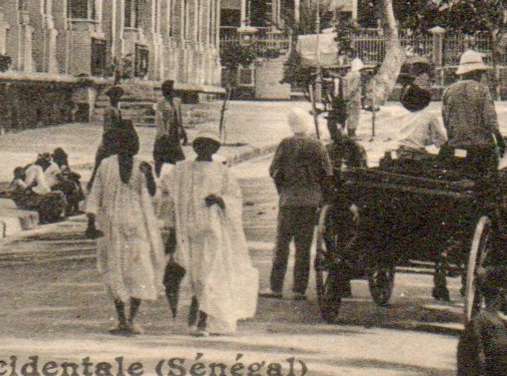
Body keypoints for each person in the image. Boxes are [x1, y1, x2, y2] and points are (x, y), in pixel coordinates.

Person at [159, 134, 258, 336]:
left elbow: (234, 198)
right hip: (188, 230)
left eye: (209, 146)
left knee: (208, 274)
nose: (204, 149)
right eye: (200, 144)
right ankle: (195, 315)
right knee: (195, 276)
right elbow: (167, 190)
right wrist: (172, 226)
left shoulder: (222, 172)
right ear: (195, 147)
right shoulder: (182, 169)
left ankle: (203, 320)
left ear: (214, 148)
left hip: (212, 230)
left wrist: (220, 200)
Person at [85, 120, 165, 336]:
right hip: (112, 226)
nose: (126, 146)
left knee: (139, 270)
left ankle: (132, 319)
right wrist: (91, 221)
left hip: (138, 225)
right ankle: (121, 319)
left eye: (129, 142)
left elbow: (153, 195)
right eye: (121, 142)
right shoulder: (106, 165)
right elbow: (96, 194)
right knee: (115, 271)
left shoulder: (142, 165)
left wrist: (149, 176)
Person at [267, 106, 333, 300]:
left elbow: (274, 170)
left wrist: (282, 189)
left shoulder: (285, 144)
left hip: (288, 200)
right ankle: (298, 289)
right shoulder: (318, 145)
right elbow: (327, 174)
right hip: (310, 201)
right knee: (303, 247)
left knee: (281, 245)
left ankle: (276, 287)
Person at [443, 50, 500, 171]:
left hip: (456, 144)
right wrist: (499, 139)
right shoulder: (482, 90)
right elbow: (490, 121)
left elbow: (446, 120)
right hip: (480, 147)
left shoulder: (449, 91)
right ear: (476, 72)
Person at [10, 153, 69, 223]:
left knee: (56, 194)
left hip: (25, 199)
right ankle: (48, 218)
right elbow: (25, 188)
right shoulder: (37, 168)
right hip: (26, 200)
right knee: (56, 195)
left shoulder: (32, 168)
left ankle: (52, 216)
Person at [394, 82, 447, 151]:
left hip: (400, 150)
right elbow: (440, 139)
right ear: (426, 103)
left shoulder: (404, 116)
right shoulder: (428, 116)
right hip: (416, 151)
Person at [153, 80, 187, 171]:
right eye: (167, 90)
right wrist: (163, 134)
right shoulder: (161, 103)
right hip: (165, 135)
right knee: (161, 157)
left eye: (171, 90)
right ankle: (158, 175)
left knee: (175, 158)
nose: (170, 92)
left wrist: (183, 132)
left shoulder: (176, 102)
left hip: (174, 134)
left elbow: (179, 118)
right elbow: (159, 120)